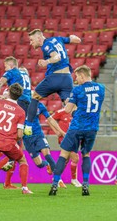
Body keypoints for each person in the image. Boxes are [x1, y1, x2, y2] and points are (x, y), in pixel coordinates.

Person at [49, 65, 105, 196]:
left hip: (77, 127)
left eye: (77, 77)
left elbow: (67, 110)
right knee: (86, 155)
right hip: (92, 128)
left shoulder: (78, 90)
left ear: (83, 76)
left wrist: (72, 105)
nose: (76, 79)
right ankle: (85, 185)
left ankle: (54, 185)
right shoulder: (101, 88)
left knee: (63, 154)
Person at [25, 29, 81, 135]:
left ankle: (28, 126)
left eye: (31, 40)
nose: (30, 43)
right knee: (70, 106)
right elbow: (75, 39)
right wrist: (75, 38)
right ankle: (82, 125)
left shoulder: (46, 46)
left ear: (39, 38)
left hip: (56, 77)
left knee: (35, 96)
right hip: (67, 78)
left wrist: (47, 61)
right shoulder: (57, 39)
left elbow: (57, 57)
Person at [22, 101, 67, 188]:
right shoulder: (22, 105)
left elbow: (50, 119)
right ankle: (47, 164)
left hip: (38, 135)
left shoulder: (40, 105)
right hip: (27, 138)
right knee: (39, 164)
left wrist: (61, 132)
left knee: (46, 153)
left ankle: (58, 180)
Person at [49, 105, 82, 187]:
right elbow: (49, 119)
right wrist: (56, 131)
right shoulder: (62, 112)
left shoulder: (79, 112)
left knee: (65, 160)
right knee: (75, 158)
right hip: (64, 138)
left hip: (74, 138)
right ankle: (74, 179)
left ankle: (56, 177)